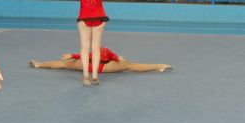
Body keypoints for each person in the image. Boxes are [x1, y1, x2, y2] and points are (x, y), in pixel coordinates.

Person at [61, 0, 109, 86]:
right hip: (99, 17)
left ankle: (85, 77)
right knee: (95, 48)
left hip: (84, 17)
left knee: (84, 47)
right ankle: (95, 76)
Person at [29, 47, 172, 74]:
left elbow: (85, 56)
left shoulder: (96, 51)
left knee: (62, 64)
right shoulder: (105, 50)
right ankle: (158, 66)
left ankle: (39, 64)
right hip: (103, 68)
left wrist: (72, 56)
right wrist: (119, 59)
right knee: (130, 65)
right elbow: (113, 57)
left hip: (89, 67)